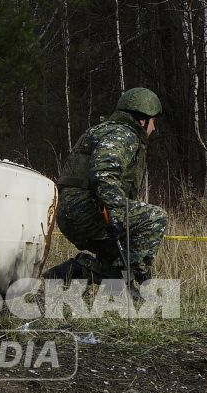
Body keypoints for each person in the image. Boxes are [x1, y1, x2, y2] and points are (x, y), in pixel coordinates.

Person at [56, 87, 169, 287]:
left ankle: (68, 273)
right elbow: (104, 173)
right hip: (87, 211)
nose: (154, 128)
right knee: (155, 218)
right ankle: (130, 282)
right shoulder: (123, 135)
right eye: (153, 122)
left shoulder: (101, 130)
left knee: (113, 261)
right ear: (142, 120)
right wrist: (116, 214)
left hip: (71, 214)